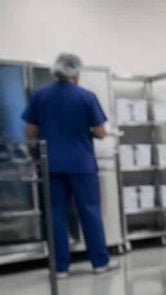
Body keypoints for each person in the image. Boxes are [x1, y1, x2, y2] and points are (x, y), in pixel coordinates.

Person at [23, 53, 113, 278]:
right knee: (90, 212)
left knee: (55, 215)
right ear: (76, 73)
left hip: (51, 164)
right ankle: (99, 263)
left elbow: (30, 132)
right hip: (81, 164)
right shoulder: (86, 96)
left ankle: (60, 268)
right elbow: (101, 131)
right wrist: (88, 131)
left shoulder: (39, 96)